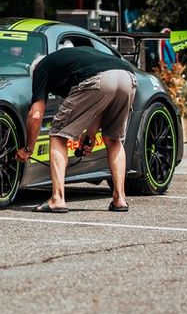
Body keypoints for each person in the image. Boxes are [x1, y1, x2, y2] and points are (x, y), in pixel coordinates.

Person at [16, 46, 136, 213]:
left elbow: (36, 115)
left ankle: (57, 199)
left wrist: (28, 148)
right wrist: (91, 134)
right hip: (127, 77)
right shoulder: (71, 63)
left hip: (97, 78)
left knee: (58, 135)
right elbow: (98, 106)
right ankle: (120, 199)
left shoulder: (41, 68)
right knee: (113, 139)